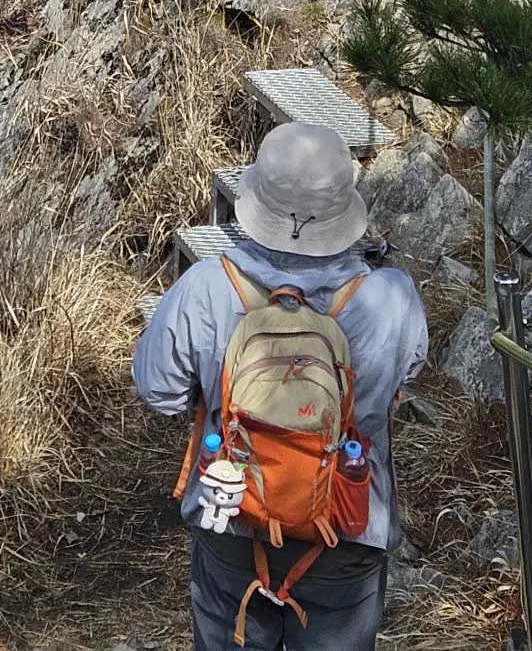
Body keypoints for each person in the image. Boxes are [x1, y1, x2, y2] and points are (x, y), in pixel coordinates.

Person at [134, 124, 427, 651]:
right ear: (343, 210)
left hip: (231, 520)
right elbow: (401, 384)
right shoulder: (392, 298)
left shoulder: (206, 287)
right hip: (347, 527)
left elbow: (158, 390)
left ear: (258, 202)